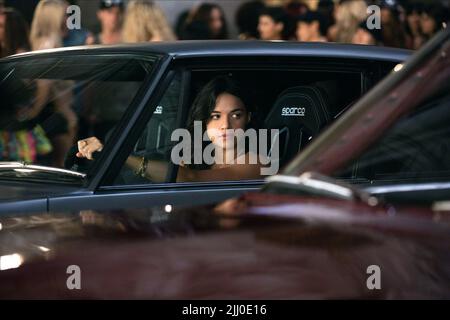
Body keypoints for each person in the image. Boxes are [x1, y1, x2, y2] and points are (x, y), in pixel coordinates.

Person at [76, 76, 268, 182]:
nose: (225, 125)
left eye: (236, 115)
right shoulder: (194, 157)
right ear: (204, 121)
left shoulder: (256, 162)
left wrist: (118, 155)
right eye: (215, 116)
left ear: (248, 118)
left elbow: (189, 179)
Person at [27, 0, 77, 167]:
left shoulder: (41, 42)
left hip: (51, 115)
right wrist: (68, 115)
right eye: (66, 15)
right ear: (54, 18)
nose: (71, 19)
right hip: (53, 117)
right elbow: (45, 84)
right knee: (62, 167)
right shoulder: (50, 44)